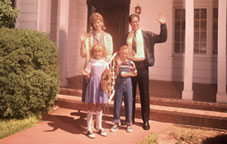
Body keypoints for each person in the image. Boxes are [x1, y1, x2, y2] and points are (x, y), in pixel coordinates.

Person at [123, 13, 167, 130]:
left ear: (139, 22)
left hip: (142, 66)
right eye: (133, 22)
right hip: (130, 66)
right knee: (129, 94)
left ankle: (146, 120)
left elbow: (162, 38)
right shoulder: (127, 36)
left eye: (137, 21)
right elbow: (123, 51)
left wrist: (163, 25)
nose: (135, 24)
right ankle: (129, 119)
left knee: (144, 94)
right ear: (130, 24)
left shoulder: (147, 35)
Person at [80, 12, 113, 102]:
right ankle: (90, 114)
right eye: (94, 23)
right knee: (90, 96)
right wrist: (82, 43)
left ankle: (99, 115)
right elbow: (83, 55)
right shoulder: (88, 37)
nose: (97, 24)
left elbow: (109, 54)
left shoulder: (108, 37)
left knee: (101, 96)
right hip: (90, 69)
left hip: (102, 70)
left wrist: (101, 65)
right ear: (92, 25)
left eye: (98, 22)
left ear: (102, 23)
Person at [83, 44, 109, 139]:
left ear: (103, 52)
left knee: (99, 106)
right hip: (93, 86)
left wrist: (107, 78)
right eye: (96, 51)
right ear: (93, 52)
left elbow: (107, 74)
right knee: (92, 106)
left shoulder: (104, 62)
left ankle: (99, 127)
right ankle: (89, 129)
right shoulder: (91, 62)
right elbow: (87, 73)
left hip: (101, 87)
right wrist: (86, 75)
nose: (98, 53)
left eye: (99, 52)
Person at [110, 45, 137, 133]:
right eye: (122, 54)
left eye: (126, 54)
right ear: (119, 53)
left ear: (128, 54)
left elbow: (135, 74)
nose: (124, 56)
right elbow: (116, 73)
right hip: (119, 85)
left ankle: (128, 123)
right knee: (117, 103)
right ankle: (116, 122)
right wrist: (118, 66)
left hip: (128, 85)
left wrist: (128, 74)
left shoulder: (131, 63)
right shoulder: (118, 62)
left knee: (129, 102)